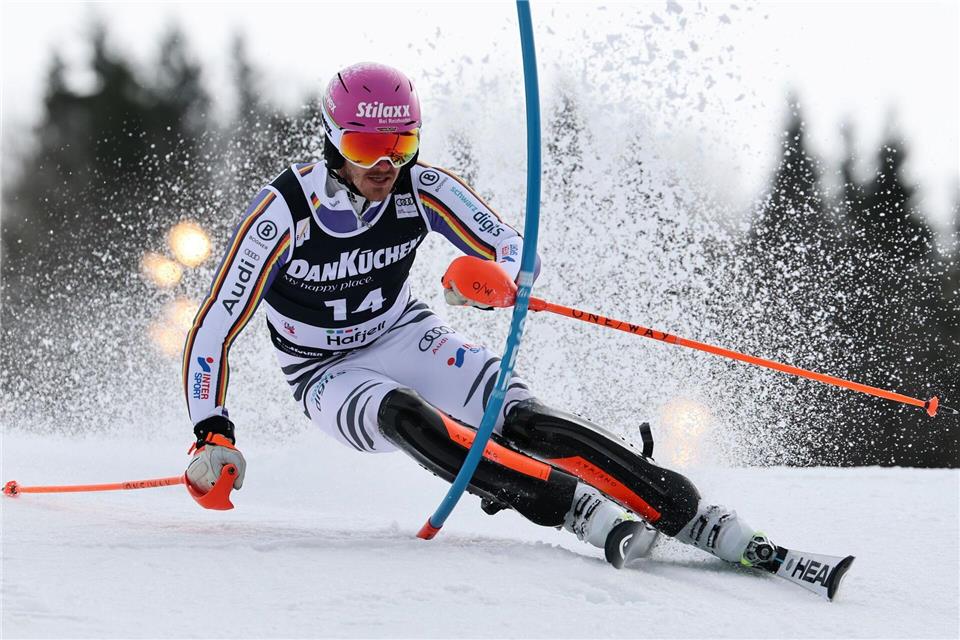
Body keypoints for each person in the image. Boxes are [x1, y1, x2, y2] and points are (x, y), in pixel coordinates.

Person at [182, 61, 780, 571]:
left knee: (526, 421)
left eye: (404, 144)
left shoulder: (422, 188)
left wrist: (496, 282)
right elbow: (213, 328)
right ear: (333, 141)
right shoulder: (283, 213)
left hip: (402, 333)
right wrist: (212, 432)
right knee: (407, 417)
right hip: (324, 372)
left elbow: (514, 249)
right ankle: (571, 508)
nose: (387, 164)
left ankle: (689, 512)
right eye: (368, 147)